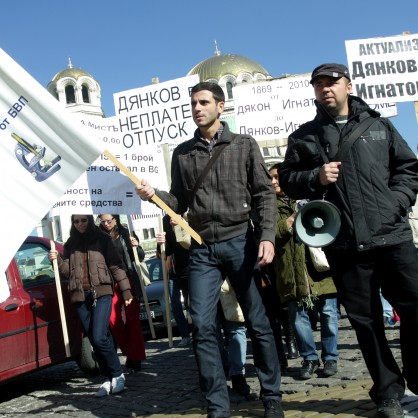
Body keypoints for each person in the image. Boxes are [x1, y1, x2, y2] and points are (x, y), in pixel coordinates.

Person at [135, 81, 283, 418]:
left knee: (257, 320)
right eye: (193, 104)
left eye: (203, 102)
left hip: (241, 243)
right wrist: (154, 194)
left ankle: (271, 394)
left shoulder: (244, 145)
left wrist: (267, 236)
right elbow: (178, 201)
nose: (197, 108)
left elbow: (263, 194)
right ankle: (218, 405)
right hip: (202, 250)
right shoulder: (183, 153)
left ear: (221, 106)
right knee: (201, 324)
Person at [280, 63, 418, 418]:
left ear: (348, 85)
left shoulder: (378, 125)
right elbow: (288, 179)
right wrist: (315, 176)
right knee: (366, 323)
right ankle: (388, 392)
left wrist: (396, 204)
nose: (326, 89)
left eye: (332, 82)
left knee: (415, 309)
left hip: (392, 238)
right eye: (319, 84)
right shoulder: (304, 136)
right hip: (344, 245)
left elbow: (408, 168)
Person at [48, 215, 132, 397]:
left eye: (83, 220)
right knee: (94, 341)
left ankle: (118, 374)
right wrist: (57, 260)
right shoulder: (70, 243)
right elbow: (66, 272)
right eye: (76, 221)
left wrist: (126, 291)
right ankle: (107, 378)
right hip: (79, 296)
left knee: (99, 336)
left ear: (89, 220)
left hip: (101, 292)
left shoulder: (102, 238)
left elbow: (116, 265)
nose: (80, 224)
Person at [269, 162, 339, 380]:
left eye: (278, 177)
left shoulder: (310, 195)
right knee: (298, 318)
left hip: (319, 269)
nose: (273, 182)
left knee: (329, 314)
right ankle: (309, 357)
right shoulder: (267, 207)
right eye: (270, 178)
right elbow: (269, 236)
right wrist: (290, 220)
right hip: (290, 272)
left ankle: (330, 357)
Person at [98, 214, 146, 372]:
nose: (106, 224)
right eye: (102, 221)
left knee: (133, 320)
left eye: (109, 220)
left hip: (129, 279)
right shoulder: (98, 236)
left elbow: (139, 257)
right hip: (110, 283)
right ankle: (129, 353)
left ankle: (136, 358)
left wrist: (136, 246)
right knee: (113, 320)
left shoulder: (126, 232)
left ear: (116, 219)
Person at [156, 214, 192, 347]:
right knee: (175, 306)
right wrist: (161, 244)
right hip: (173, 273)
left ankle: (199, 334)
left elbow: (188, 244)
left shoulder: (188, 216)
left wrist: (179, 227)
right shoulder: (165, 220)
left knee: (191, 305)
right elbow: (165, 252)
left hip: (189, 270)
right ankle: (185, 335)